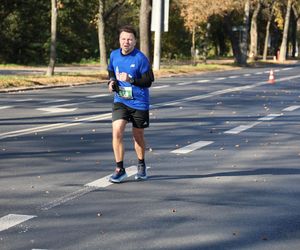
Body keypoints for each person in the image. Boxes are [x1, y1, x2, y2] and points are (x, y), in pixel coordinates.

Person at [107, 25, 154, 183]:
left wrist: (131, 80)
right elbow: (111, 71)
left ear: (134, 41)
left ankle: (141, 164)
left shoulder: (140, 58)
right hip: (121, 100)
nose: (126, 42)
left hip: (139, 103)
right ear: (119, 40)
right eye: (123, 39)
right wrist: (112, 81)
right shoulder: (114, 55)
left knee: (137, 136)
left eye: (129, 39)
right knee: (117, 131)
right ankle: (120, 168)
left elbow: (149, 81)